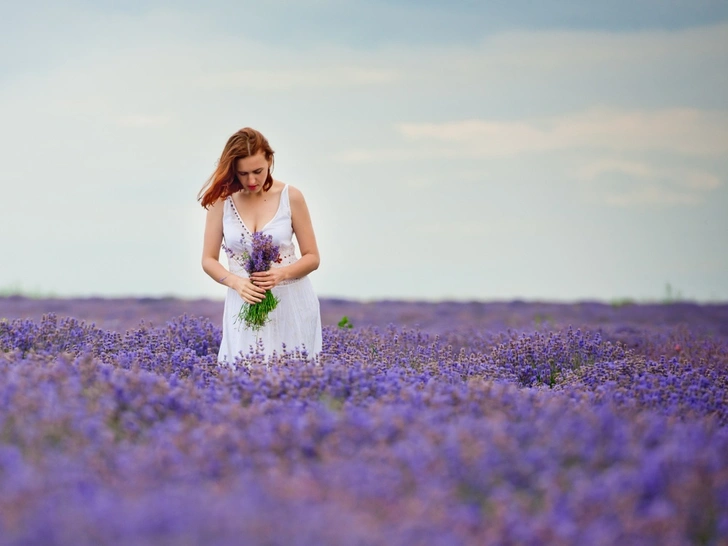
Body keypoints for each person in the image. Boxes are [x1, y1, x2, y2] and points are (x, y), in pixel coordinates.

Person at [198, 127, 322, 365]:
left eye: (258, 171)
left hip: (291, 302)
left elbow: (312, 257)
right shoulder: (222, 202)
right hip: (243, 301)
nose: (252, 180)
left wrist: (281, 273)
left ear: (270, 160)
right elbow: (208, 260)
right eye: (243, 173)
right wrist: (236, 283)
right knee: (242, 377)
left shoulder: (290, 197)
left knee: (294, 380)